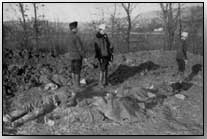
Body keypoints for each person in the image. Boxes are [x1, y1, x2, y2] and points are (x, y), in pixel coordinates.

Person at [68, 21, 87, 90]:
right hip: (77, 57)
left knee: (73, 71)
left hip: (71, 57)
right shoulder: (76, 37)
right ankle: (78, 86)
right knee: (77, 71)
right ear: (74, 28)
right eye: (76, 27)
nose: (77, 29)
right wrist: (84, 56)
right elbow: (80, 48)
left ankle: (74, 84)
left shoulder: (68, 37)